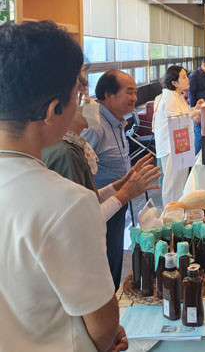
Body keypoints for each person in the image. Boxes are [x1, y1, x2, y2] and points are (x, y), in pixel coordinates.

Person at [0, 21, 127, 351]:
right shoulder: (67, 202)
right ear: (53, 109)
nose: (80, 106)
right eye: (76, 97)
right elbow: (103, 327)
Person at [44, 77, 161, 220]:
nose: (90, 102)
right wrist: (125, 192)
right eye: (80, 96)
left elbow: (89, 197)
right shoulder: (66, 153)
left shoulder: (75, 144)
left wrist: (122, 184)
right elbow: (82, 218)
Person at [82, 69, 138, 291]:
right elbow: (82, 167)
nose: (134, 98)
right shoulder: (95, 126)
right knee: (103, 265)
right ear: (108, 94)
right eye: (129, 92)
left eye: (135, 92)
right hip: (101, 207)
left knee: (115, 257)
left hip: (118, 200)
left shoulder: (117, 121)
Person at [154, 66, 202, 205]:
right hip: (171, 147)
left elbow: (184, 114)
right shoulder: (169, 98)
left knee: (181, 182)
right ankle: (171, 211)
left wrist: (196, 108)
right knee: (172, 184)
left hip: (181, 144)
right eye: (183, 77)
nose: (187, 79)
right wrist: (195, 112)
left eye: (186, 76)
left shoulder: (178, 95)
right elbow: (176, 120)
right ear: (174, 82)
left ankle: (181, 209)